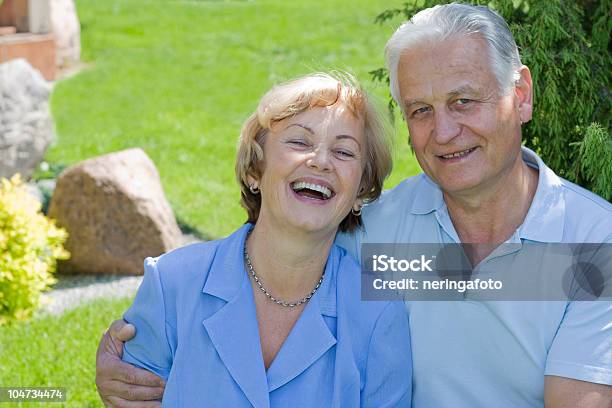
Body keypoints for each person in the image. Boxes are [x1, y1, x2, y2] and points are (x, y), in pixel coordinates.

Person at [96, 3, 612, 407]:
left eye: (464, 101)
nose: (445, 131)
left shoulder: (593, 247)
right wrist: (134, 359)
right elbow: (276, 244)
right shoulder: (382, 231)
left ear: (519, 94)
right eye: (421, 110)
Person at [99, 73, 412, 407]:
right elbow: (129, 397)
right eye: (299, 142)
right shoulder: (172, 284)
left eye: (344, 152)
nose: (321, 161)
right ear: (254, 170)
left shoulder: (378, 314)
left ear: (360, 192)